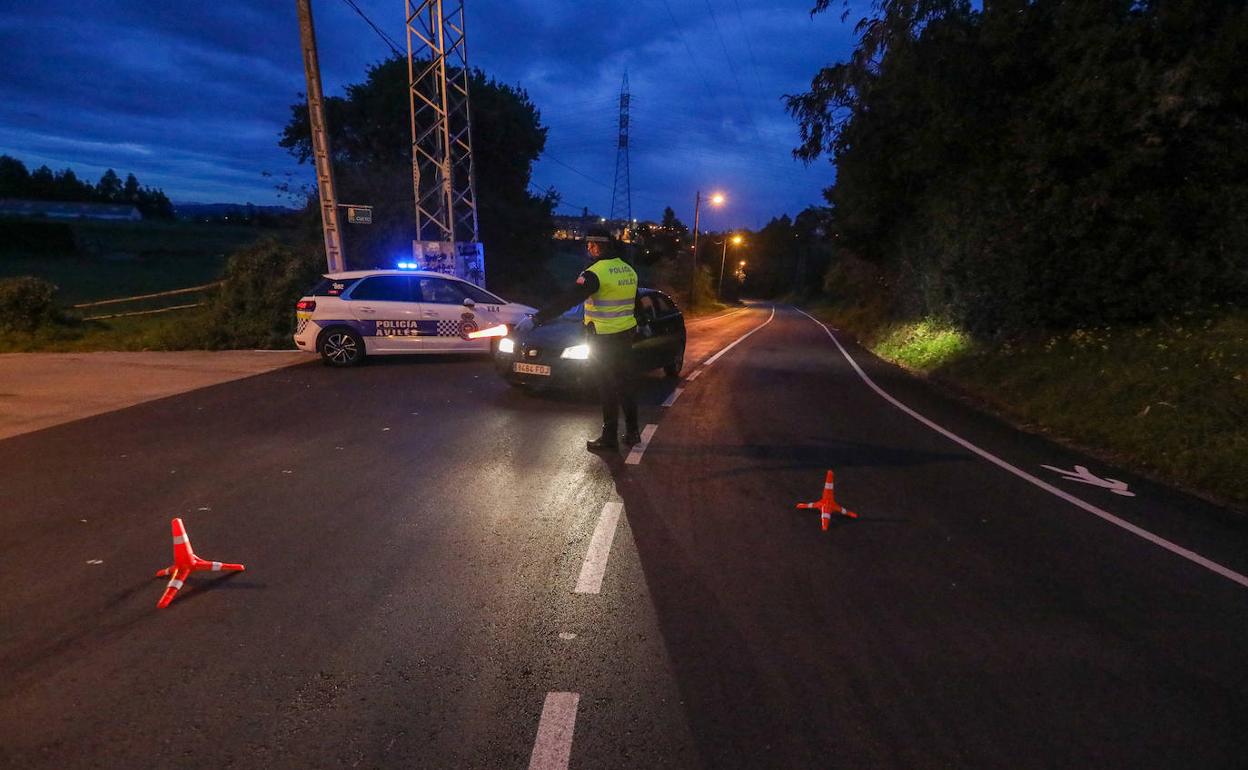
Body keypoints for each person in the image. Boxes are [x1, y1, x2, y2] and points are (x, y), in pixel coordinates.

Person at [514, 229, 641, 451]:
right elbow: (634, 304)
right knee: (625, 385)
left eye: (592, 245)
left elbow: (568, 300)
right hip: (626, 335)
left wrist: (537, 318)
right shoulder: (628, 270)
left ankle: (609, 437)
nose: (589, 248)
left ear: (601, 246)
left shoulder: (595, 273)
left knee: (607, 388)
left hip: (604, 338)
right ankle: (632, 432)